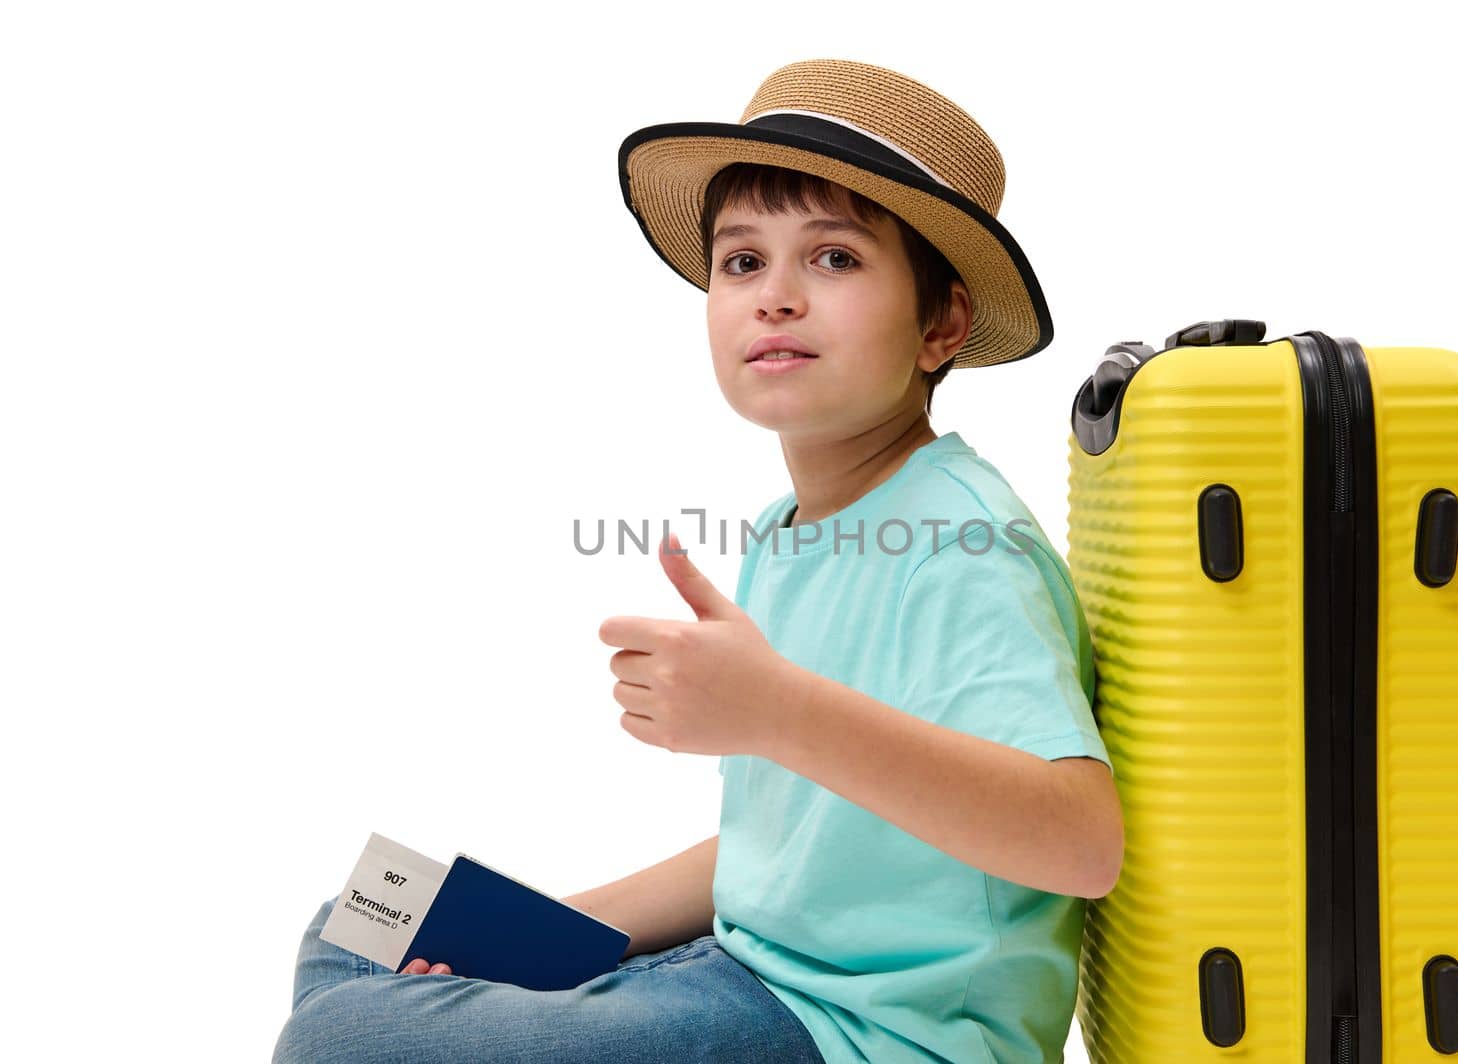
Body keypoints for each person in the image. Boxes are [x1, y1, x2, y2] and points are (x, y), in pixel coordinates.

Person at [272, 57, 1122, 1063]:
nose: (777, 298)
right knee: (358, 924)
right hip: (740, 965)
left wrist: (778, 710)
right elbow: (794, 844)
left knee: (350, 1038)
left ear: (940, 323)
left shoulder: (965, 545)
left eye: (835, 259)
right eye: (742, 261)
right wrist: (551, 938)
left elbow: (1081, 841)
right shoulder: (788, 529)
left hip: (861, 1032)